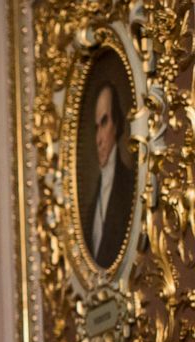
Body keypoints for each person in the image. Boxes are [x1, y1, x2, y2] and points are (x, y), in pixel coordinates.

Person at [82, 81, 134, 268]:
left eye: (104, 122)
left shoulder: (130, 187)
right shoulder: (90, 209)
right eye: (96, 127)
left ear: (117, 124)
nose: (98, 139)